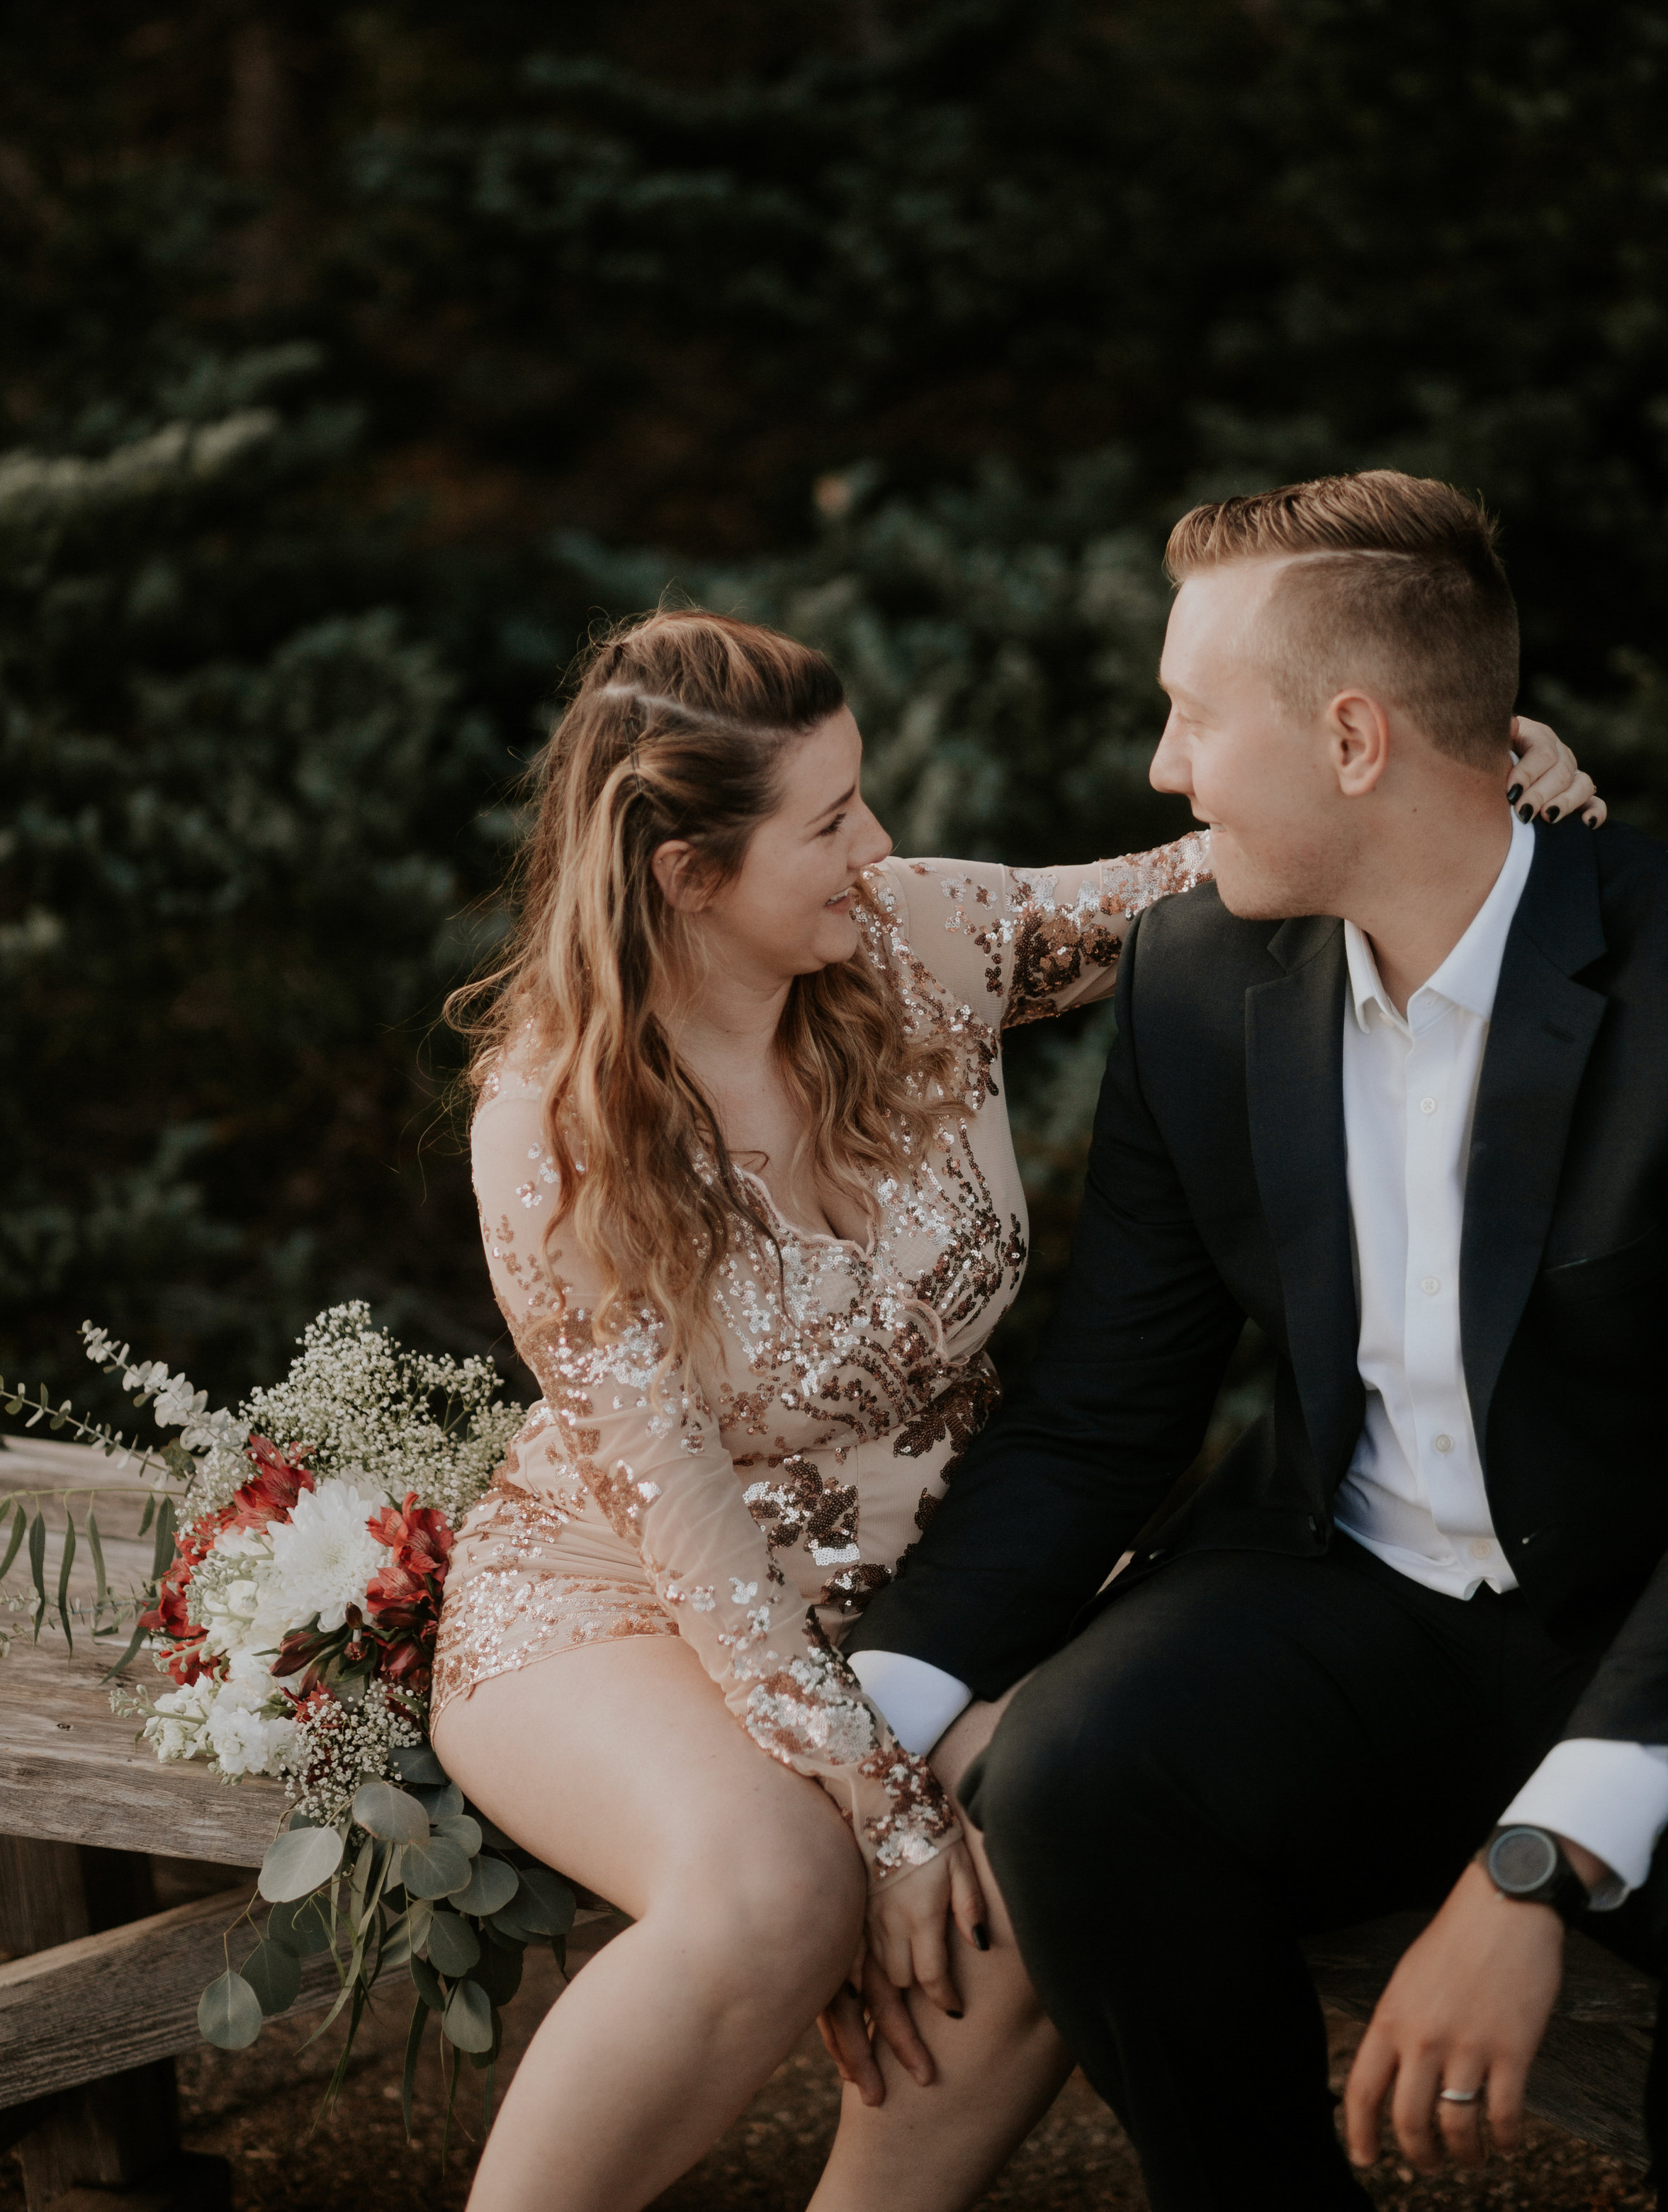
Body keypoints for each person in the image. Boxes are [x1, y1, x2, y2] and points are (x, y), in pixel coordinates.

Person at [427, 597, 1596, 2212]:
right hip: (633, 1604)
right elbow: (690, 1539)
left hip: (943, 1578)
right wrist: (881, 1814)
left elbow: (1200, 876)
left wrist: (1466, 780)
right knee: (775, 1890)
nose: (876, 842)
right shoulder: (556, 1130)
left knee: (1038, 1854)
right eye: (829, 821)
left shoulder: (918, 937)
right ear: (688, 877)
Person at [843, 469, 1665, 2209]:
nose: (1163, 769)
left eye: (1192, 716)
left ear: (1352, 737)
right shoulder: (1197, 983)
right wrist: (852, 1740)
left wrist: (1538, 1862)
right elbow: (1100, 1412)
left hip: (1644, 1635)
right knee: (1071, 1771)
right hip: (1354, 1603)